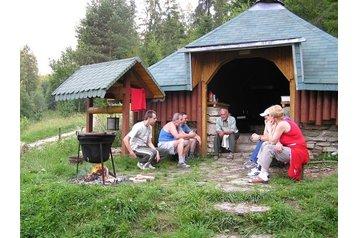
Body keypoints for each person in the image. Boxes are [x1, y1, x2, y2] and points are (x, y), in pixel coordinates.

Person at [249, 105, 309, 183]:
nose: (267, 118)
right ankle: (260, 169)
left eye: (269, 115)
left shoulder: (282, 124)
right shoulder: (279, 123)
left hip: (297, 152)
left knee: (269, 147)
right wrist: (278, 142)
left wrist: (269, 129)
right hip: (292, 149)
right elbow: (274, 139)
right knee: (265, 144)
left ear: (273, 117)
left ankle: (264, 175)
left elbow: (272, 141)